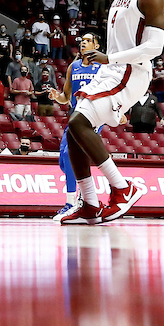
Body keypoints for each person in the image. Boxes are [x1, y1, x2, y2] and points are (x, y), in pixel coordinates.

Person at [61, 0, 164, 225]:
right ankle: (90, 203)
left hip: (129, 72)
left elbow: (156, 47)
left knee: (78, 123)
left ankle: (122, 187)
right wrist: (109, 61)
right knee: (74, 130)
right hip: (111, 70)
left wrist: (110, 58)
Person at [46, 32, 102, 219]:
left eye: (88, 40)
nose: (83, 43)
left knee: (70, 155)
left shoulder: (103, 68)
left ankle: (70, 202)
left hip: (93, 118)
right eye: (82, 41)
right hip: (75, 117)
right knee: (64, 160)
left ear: (97, 45)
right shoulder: (73, 67)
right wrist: (57, 96)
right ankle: (81, 196)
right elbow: (65, 96)